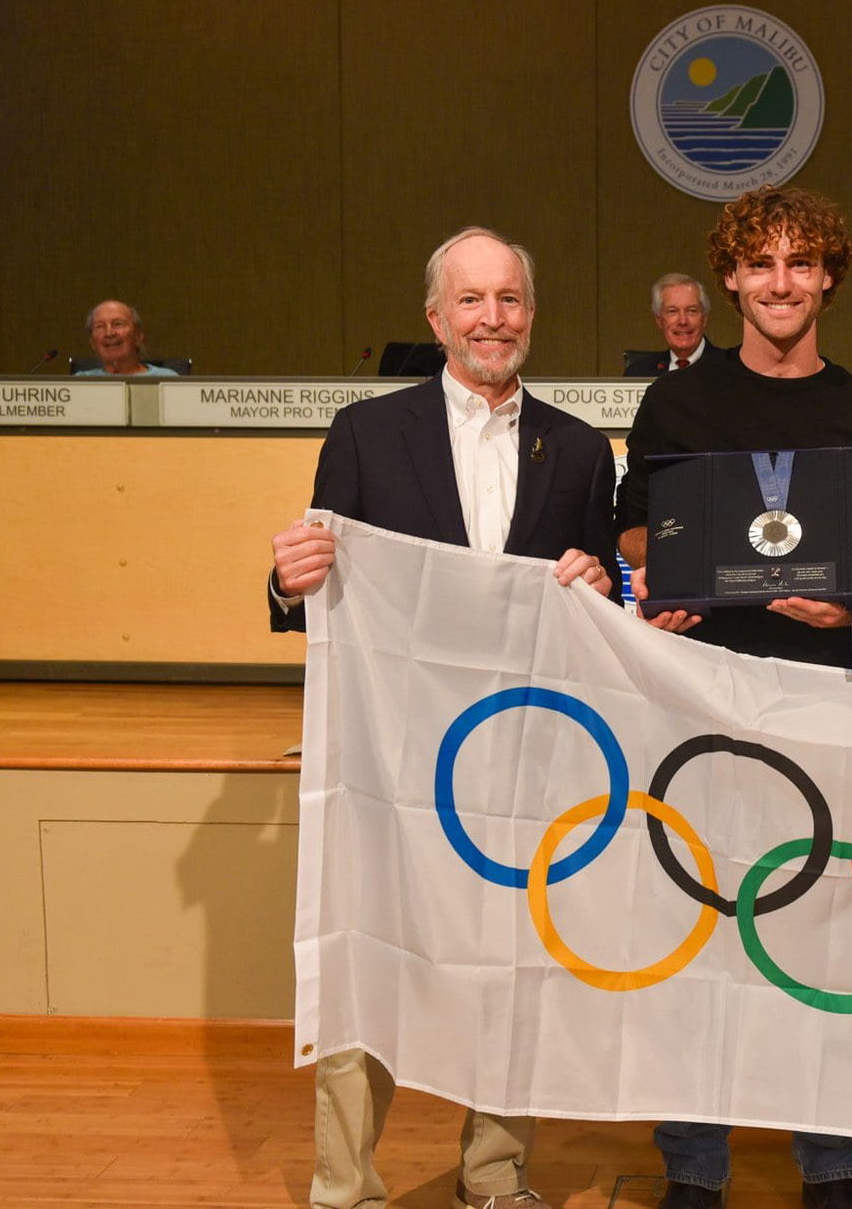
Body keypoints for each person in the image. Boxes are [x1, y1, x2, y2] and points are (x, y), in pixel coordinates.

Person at [269, 226, 617, 1209]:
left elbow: (606, 597)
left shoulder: (583, 450)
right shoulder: (366, 433)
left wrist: (599, 580)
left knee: (515, 968)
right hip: (391, 757)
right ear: (434, 318)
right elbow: (319, 579)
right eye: (471, 301)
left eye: (509, 299)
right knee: (365, 961)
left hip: (526, 759)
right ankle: (346, 1189)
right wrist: (284, 580)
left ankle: (494, 1178)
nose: (492, 319)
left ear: (531, 315)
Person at [616, 185, 852, 1207]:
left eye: (802, 263)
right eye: (761, 264)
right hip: (695, 697)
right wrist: (658, 569)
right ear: (730, 279)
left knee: (824, 930)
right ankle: (693, 1169)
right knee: (695, 925)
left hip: (830, 702)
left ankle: (830, 1167)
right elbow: (629, 528)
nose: (780, 282)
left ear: (828, 277)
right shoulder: (674, 406)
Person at [623, 273, 722, 376]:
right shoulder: (638, 372)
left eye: (691, 311)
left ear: (704, 318)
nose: (683, 321)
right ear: (659, 320)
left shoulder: (730, 368)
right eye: (672, 311)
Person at [77, 300, 180, 376]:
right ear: (92, 342)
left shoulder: (166, 379)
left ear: (138, 336)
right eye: (100, 326)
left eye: (118, 324)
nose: (109, 333)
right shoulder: (80, 382)